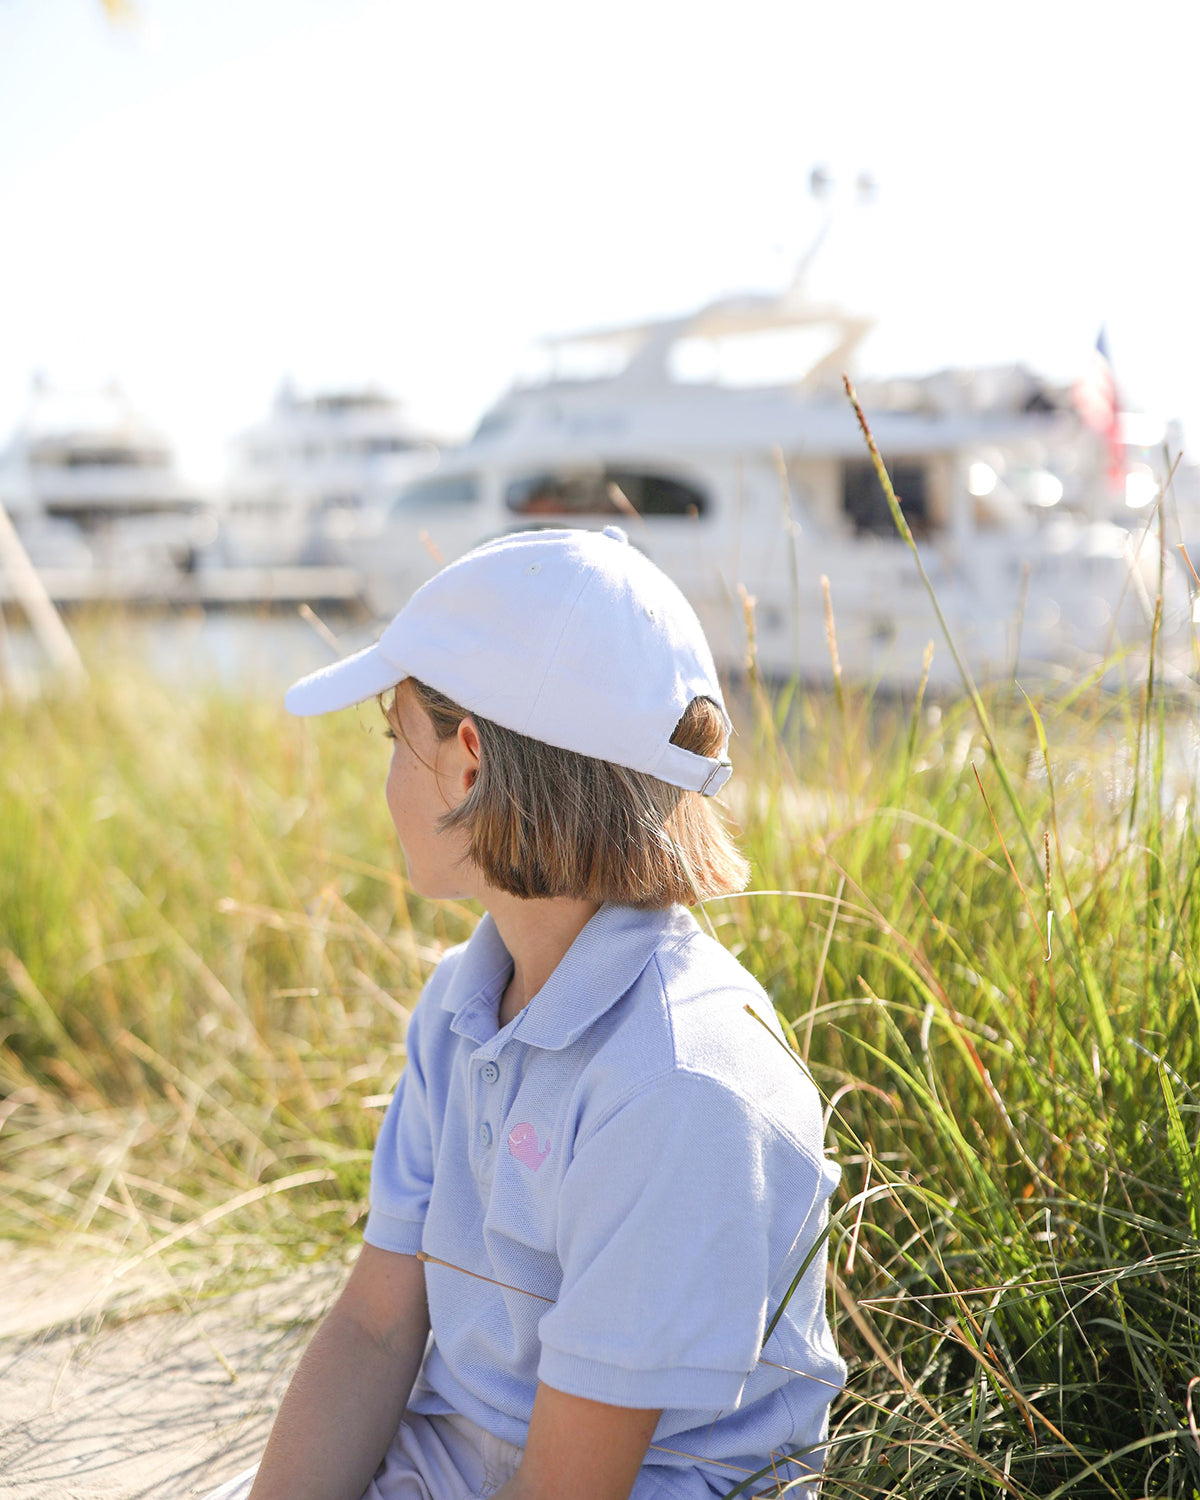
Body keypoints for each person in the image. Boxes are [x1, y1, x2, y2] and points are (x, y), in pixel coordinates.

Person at [206, 525, 845, 1500]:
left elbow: (572, 1484)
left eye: (394, 738)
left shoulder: (679, 1083)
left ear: (467, 766)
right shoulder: (461, 1008)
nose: (384, 779)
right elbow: (376, 1327)